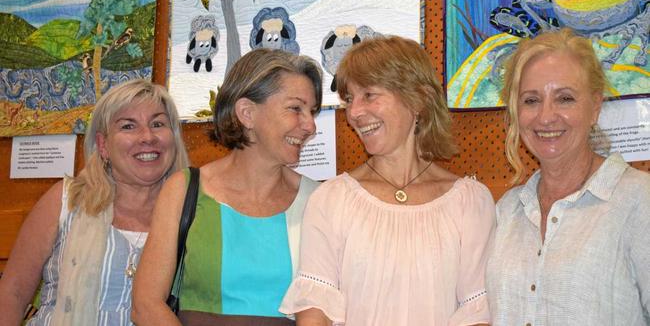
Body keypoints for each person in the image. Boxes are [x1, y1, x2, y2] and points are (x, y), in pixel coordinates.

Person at [280, 36, 496, 325]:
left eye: (369, 94)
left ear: (417, 99)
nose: (354, 112)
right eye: (350, 98)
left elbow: (477, 311)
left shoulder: (470, 202)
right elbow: (315, 309)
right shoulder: (332, 199)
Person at [132, 48, 323, 325]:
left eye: (312, 111)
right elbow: (146, 305)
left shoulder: (318, 200)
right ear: (246, 113)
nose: (310, 126)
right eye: (296, 108)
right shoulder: (185, 190)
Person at [486, 28, 650, 325]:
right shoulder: (507, 211)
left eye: (565, 99)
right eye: (531, 100)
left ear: (595, 108)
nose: (546, 116)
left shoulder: (640, 202)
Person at [0, 79, 189, 325]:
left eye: (158, 124)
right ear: (103, 146)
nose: (147, 137)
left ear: (173, 138)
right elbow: (12, 294)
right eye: (128, 126)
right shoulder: (66, 200)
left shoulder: (193, 212)